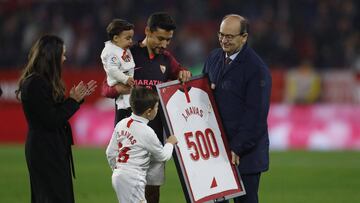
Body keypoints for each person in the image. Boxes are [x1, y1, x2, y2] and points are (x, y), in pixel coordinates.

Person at [102, 12, 191, 203]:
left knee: (152, 190)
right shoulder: (127, 53)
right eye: (160, 38)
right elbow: (105, 88)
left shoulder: (167, 59)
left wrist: (184, 73)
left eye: (168, 40)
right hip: (128, 133)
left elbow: (181, 72)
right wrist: (118, 88)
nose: (164, 44)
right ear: (147, 31)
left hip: (154, 132)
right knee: (130, 189)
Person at [15, 35, 97, 203]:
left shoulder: (40, 81)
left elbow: (53, 114)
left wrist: (74, 100)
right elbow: (51, 119)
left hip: (51, 146)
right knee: (52, 197)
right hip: (45, 149)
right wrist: (73, 101)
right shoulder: (35, 83)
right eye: (62, 54)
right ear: (52, 56)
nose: (65, 58)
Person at [202, 14, 272, 203]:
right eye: (221, 34)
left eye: (230, 36)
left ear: (244, 37)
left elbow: (256, 116)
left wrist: (237, 147)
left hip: (244, 155)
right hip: (217, 151)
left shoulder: (256, 69)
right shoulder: (214, 58)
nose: (224, 40)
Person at [106, 86, 178, 203]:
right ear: (149, 112)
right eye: (157, 107)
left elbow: (110, 152)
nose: (157, 110)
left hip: (118, 177)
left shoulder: (121, 124)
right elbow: (163, 156)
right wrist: (170, 143)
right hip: (134, 179)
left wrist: (118, 170)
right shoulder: (147, 132)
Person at [101, 19, 135, 115]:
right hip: (121, 88)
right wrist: (125, 79)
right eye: (128, 38)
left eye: (131, 38)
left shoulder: (122, 48)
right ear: (116, 38)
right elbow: (112, 70)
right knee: (125, 111)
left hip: (128, 87)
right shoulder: (111, 52)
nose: (131, 41)